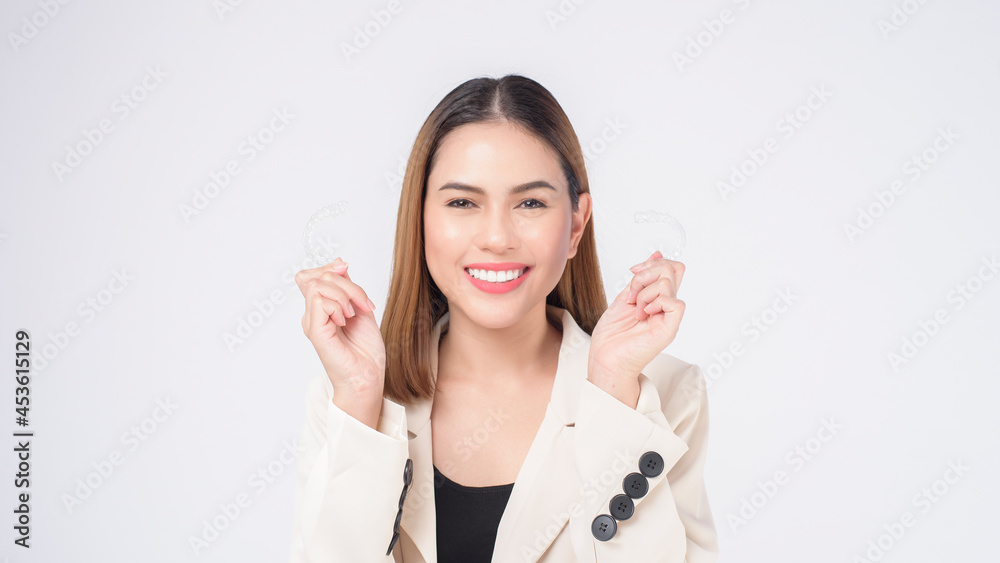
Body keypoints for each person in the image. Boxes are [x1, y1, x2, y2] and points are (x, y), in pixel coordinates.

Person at [288, 74, 719, 562]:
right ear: (420, 218)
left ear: (576, 225)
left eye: (531, 202)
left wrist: (613, 397)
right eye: (462, 202)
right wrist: (362, 407)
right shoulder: (348, 398)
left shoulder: (661, 393)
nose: (496, 237)